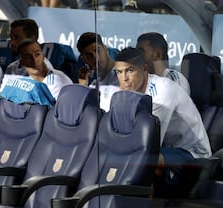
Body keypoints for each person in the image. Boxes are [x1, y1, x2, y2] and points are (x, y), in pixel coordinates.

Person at [114, 47, 211, 195]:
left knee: (148, 159)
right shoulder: (125, 94)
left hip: (194, 154)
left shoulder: (162, 90)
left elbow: (150, 143)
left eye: (130, 70)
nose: (124, 78)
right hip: (167, 150)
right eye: (119, 72)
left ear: (144, 69)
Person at [0, 39, 72, 100]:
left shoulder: (57, 81)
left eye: (37, 55)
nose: (34, 60)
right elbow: (1, 98)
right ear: (21, 62)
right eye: (28, 57)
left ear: (43, 56)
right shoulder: (20, 79)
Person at [76, 32, 120, 112]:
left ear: (105, 48)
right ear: (84, 60)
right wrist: (83, 86)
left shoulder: (123, 76)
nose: (96, 58)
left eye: (98, 50)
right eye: (89, 55)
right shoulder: (92, 85)